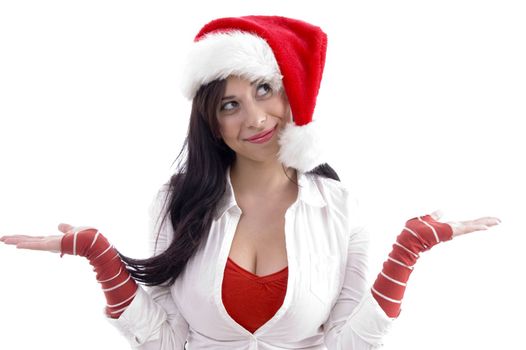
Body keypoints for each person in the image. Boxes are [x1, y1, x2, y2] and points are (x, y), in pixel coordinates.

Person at [0, 15, 500, 349]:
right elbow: (168, 339)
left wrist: (406, 254)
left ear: (292, 96)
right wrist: (100, 257)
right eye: (230, 104)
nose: (256, 118)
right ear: (212, 121)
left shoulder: (338, 206)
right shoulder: (178, 203)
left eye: (265, 90)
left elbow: (346, 342)